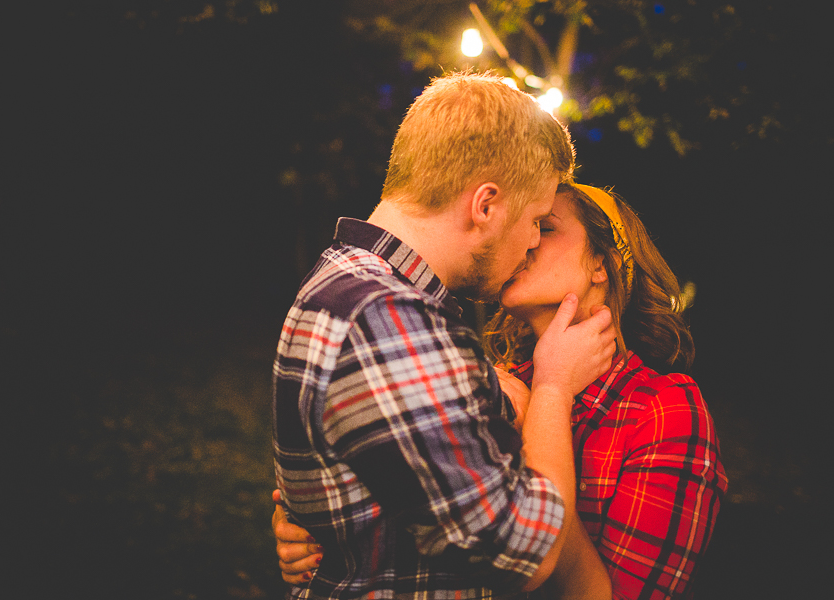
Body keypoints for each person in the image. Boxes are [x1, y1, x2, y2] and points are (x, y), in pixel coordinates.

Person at [274, 183, 728, 599]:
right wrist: (322, 530)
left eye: (545, 227)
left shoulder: (664, 410)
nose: (526, 239)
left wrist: (545, 407)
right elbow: (423, 519)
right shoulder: (491, 377)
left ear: (600, 263)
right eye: (526, 224)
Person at [272, 72, 618, 600]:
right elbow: (524, 552)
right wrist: (553, 386)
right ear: (485, 206)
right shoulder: (384, 317)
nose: (531, 242)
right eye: (535, 219)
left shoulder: (349, 283)